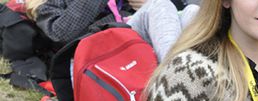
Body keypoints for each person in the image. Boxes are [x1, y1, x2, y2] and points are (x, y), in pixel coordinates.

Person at [28, 0, 196, 62]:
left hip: (136, 42)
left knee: (193, 12)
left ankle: (199, 80)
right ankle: (175, 76)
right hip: (97, 52)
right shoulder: (49, 4)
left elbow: (177, 7)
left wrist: (145, 5)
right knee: (160, 5)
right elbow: (60, 33)